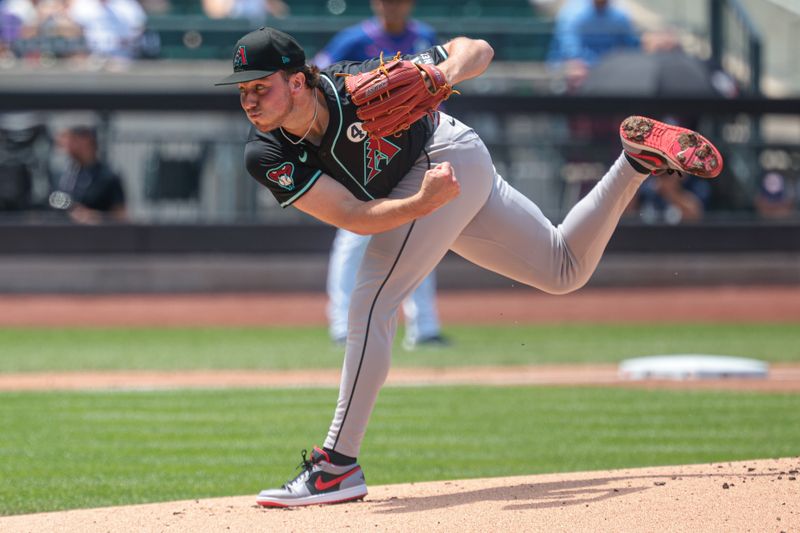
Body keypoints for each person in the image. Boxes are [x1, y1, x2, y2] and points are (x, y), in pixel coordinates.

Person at [216, 27, 722, 507]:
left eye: (261, 86)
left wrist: (442, 74)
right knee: (563, 269)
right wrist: (421, 204)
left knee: (372, 302)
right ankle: (634, 161)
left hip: (445, 149)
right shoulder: (265, 152)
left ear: (298, 81)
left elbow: (477, 48)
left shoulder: (353, 81)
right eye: (243, 90)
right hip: (427, 185)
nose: (249, 100)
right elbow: (352, 216)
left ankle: (336, 465)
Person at [314, 0, 447, 349]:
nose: (392, 7)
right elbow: (319, 81)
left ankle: (426, 328)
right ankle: (342, 325)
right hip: (364, 151)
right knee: (354, 237)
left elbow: (440, 86)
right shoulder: (352, 40)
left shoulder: (424, 37)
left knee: (419, 235)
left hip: (412, 147)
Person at [51, 125, 126, 223]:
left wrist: (95, 216)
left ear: (86, 140)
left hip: (96, 236)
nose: (64, 142)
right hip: (64, 235)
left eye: (72, 138)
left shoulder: (108, 177)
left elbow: (121, 216)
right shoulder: (64, 174)